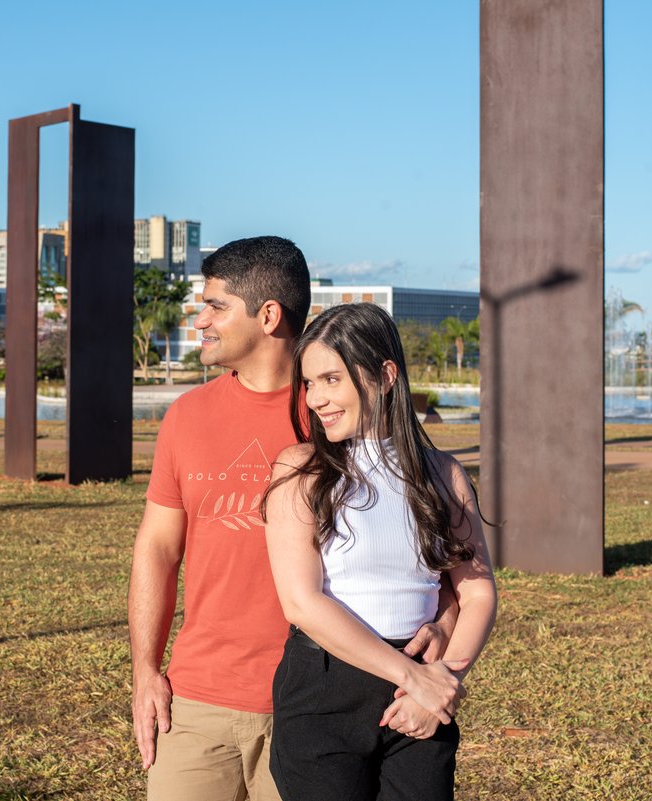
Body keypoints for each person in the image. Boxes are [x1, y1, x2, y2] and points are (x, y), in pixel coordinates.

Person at [129, 237, 455, 801]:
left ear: (269, 315)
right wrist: (144, 671)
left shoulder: (340, 414)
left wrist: (442, 635)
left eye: (215, 306)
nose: (200, 319)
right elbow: (157, 549)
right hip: (200, 699)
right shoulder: (187, 417)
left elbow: (430, 557)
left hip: (320, 701)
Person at [263, 302, 498, 801]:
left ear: (385, 375)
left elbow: (477, 594)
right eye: (309, 383)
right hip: (323, 692)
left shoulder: (443, 474)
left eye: (331, 379)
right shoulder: (299, 470)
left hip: (421, 696)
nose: (316, 399)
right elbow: (301, 603)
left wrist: (440, 683)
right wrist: (413, 677)